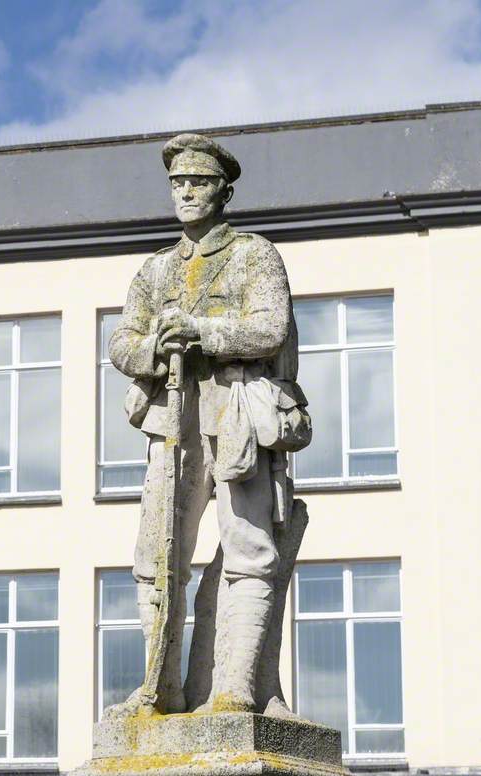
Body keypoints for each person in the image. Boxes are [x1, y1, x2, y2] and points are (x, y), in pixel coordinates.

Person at [107, 132, 302, 716]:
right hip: (173, 421)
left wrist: (204, 335)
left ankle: (235, 689)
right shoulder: (156, 269)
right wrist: (152, 349)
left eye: (199, 182)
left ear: (224, 191)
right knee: (157, 557)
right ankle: (158, 690)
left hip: (236, 412)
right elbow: (121, 342)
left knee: (248, 548)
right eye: (178, 183)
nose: (186, 192)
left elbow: (271, 327)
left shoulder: (253, 254)